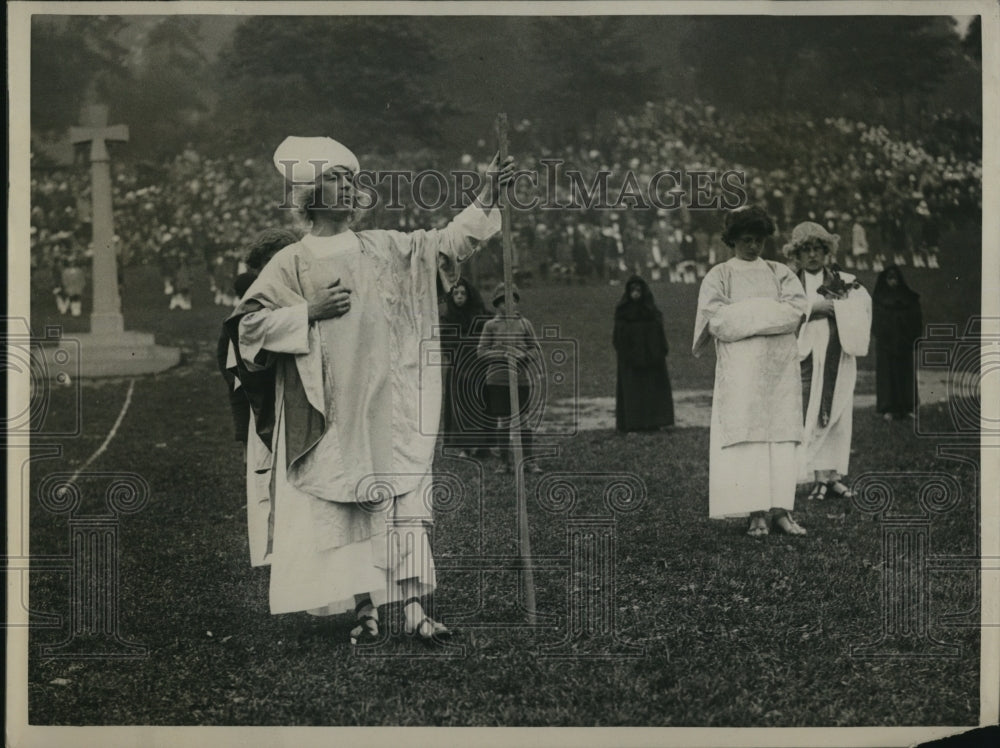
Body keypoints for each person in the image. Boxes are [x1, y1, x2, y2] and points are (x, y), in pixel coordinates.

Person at [226, 135, 514, 645]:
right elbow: (247, 327)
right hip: (331, 407)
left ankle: (414, 610)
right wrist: (307, 312)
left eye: (351, 179)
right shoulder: (291, 262)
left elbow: (445, 244)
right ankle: (365, 609)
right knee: (348, 505)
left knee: (400, 499)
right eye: (336, 178)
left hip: (389, 401)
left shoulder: (382, 246)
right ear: (311, 193)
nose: (348, 187)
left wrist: (487, 193)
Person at [693, 205, 809, 537]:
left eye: (758, 240)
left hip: (779, 372)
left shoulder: (778, 272)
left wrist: (746, 314)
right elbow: (718, 320)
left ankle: (782, 511)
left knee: (781, 438)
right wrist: (768, 313)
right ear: (732, 240)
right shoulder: (720, 275)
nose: (753, 247)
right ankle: (756, 513)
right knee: (750, 439)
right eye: (746, 240)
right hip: (742, 372)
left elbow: (795, 312)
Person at [786, 222, 871, 502]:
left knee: (839, 413)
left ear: (827, 252)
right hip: (806, 355)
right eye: (806, 250)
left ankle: (834, 476)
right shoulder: (790, 281)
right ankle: (816, 476)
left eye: (818, 249)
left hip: (838, 354)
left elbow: (862, 306)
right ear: (797, 254)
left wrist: (840, 308)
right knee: (810, 411)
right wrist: (813, 308)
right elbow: (782, 310)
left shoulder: (843, 279)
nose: (813, 255)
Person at [216, 228, 300, 448]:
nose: (278, 266)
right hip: (267, 410)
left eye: (286, 258)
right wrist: (243, 430)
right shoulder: (248, 311)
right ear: (258, 267)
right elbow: (235, 379)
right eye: (269, 261)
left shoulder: (306, 296)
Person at [477, 282, 544, 475]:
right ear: (497, 304)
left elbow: (535, 348)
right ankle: (504, 463)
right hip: (498, 380)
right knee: (504, 421)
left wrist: (524, 356)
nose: (509, 305)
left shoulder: (524, 324)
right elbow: (481, 352)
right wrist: (501, 356)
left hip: (521, 379)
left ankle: (529, 461)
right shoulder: (491, 325)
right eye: (504, 302)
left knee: (523, 420)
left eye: (512, 301)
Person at [613, 275, 675, 432]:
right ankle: (632, 422)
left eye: (638, 290)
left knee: (651, 388)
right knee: (632, 389)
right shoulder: (623, 312)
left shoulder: (651, 311)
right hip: (631, 358)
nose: (635, 293)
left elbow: (658, 331)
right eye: (632, 290)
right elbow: (618, 335)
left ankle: (653, 421)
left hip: (651, 357)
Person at [439, 277, 490, 458]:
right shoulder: (447, 317)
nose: (459, 297)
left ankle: (483, 445)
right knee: (461, 407)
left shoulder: (480, 314)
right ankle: (464, 446)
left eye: (463, 293)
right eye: (456, 293)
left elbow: (490, 331)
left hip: (478, 367)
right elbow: (447, 341)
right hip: (459, 368)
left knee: (481, 404)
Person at [872, 266, 922, 421]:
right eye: (889, 278)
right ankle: (888, 409)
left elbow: (916, 320)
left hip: (904, 343)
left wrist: (911, 336)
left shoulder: (909, 299)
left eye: (895, 278)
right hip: (886, 344)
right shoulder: (879, 300)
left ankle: (907, 407)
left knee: (905, 375)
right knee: (887, 376)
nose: (892, 282)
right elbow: (876, 323)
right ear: (885, 280)